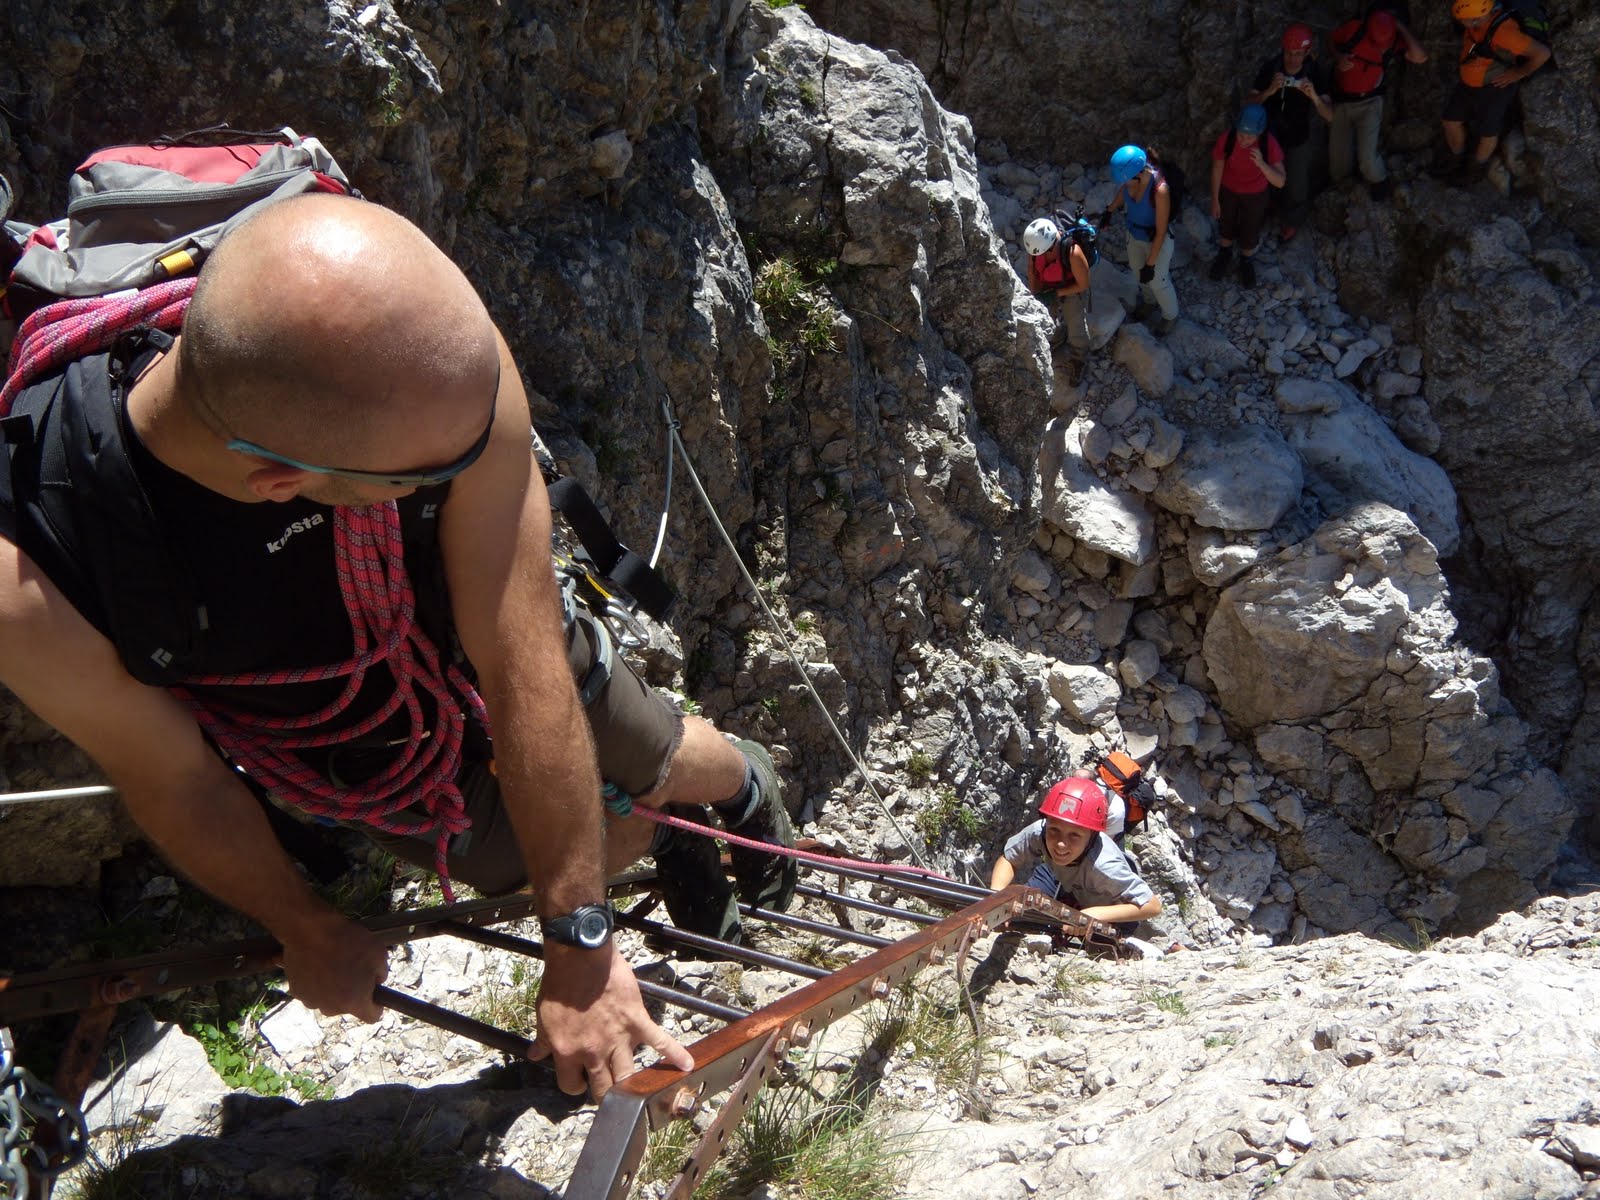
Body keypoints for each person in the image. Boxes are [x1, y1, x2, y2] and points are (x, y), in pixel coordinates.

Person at [0, 193, 802, 1101]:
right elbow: (170, 774)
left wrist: (579, 942)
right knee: (530, 852)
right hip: (361, 747)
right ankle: (657, 831)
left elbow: (520, 651)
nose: (482, 457)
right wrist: (303, 925)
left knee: (641, 755)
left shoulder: (441, 375)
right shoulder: (33, 572)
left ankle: (738, 781)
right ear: (281, 483)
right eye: (427, 479)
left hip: (482, 632)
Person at [988, 777, 1161, 932]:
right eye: (1054, 830)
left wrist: (1093, 915)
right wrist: (995, 898)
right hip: (1062, 877)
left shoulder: (1104, 866)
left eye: (1074, 835)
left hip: (1111, 903)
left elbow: (1152, 906)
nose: (1061, 843)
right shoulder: (1040, 831)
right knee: (1022, 909)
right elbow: (1009, 859)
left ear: (1092, 835)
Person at [1436, 0, 1551, 184]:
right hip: (1468, 85)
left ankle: (1475, 170)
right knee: (1450, 121)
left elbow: (1542, 53)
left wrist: (1517, 73)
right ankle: (1456, 161)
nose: (1462, 24)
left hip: (1494, 88)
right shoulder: (1477, 18)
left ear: (1475, 18)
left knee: (1488, 132)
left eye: (1465, 20)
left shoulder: (1505, 33)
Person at [1328, 8, 1427, 200]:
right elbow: (1331, 40)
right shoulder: (1354, 29)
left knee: (1367, 159)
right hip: (1341, 102)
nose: (1381, 48)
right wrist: (1337, 57)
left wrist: (1402, 29)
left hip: (1370, 102)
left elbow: (1420, 57)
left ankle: (1380, 182)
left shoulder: (1394, 41)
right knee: (1337, 165)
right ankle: (1345, 188)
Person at [1245, 23, 1333, 241]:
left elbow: (1329, 115)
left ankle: (1291, 221)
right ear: (1283, 50)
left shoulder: (1313, 72)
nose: (1293, 59)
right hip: (1272, 132)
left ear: (1307, 53)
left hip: (1298, 134)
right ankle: (1265, 211)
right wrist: (1269, 91)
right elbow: (1249, 102)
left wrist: (1313, 95)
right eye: (1289, 53)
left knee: (1297, 183)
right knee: (1264, 175)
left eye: (1298, 54)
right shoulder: (1271, 67)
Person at [1208, 105, 1285, 289]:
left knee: (1250, 227)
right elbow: (1217, 168)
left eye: (1250, 137)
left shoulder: (1269, 144)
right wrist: (1215, 199)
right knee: (1226, 222)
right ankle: (1225, 253)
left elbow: (1280, 181)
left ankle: (1246, 260)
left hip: (1255, 193)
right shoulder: (1228, 138)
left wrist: (1261, 164)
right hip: (1228, 190)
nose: (1243, 140)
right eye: (1241, 134)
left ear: (1260, 133)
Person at [1104, 145, 1179, 335]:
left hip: (1156, 241)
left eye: (1127, 179)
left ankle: (1171, 315)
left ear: (1138, 173)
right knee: (1139, 275)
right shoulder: (1130, 180)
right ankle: (1149, 302)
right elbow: (1123, 192)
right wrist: (1109, 211)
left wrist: (1151, 264)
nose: (1125, 183)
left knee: (1158, 281)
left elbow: (1161, 232)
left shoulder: (1160, 191)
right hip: (1135, 235)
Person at [1024, 215, 1093, 385]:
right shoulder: (1036, 249)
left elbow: (1084, 284)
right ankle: (1056, 338)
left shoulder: (1072, 252)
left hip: (1072, 288)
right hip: (1049, 286)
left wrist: (1056, 294)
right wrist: (1035, 297)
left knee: (1076, 324)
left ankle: (1080, 358)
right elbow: (1033, 272)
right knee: (1046, 317)